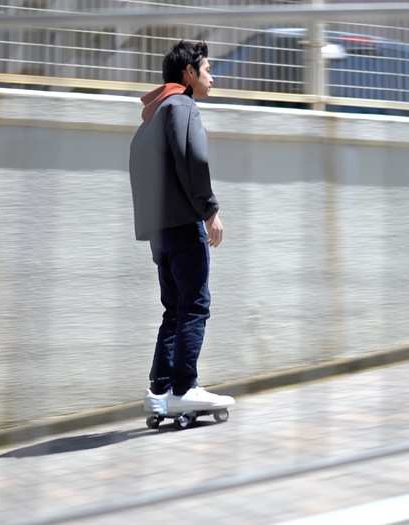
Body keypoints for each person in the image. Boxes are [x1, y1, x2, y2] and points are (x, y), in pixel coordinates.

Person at [129, 40, 234, 415]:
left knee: (173, 309)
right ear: (188, 74)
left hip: (159, 230)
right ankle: (185, 388)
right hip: (183, 226)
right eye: (207, 69)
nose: (212, 77)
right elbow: (194, 157)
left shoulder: (152, 116)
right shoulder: (182, 106)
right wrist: (209, 210)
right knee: (195, 305)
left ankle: (160, 390)